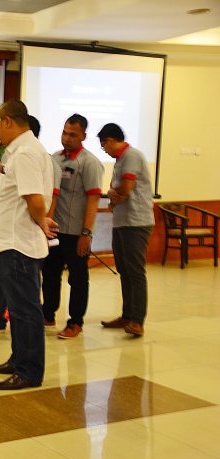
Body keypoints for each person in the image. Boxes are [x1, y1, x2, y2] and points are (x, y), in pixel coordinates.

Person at [0, 99, 56, 390]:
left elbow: (35, 200)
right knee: (17, 309)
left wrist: (41, 222)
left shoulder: (25, 152)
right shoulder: (21, 151)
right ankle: (19, 360)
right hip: (11, 243)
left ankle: (29, 372)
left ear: (8, 121)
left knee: (25, 310)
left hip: (18, 245)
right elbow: (14, 195)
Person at [42, 114, 104, 339]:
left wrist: (86, 233)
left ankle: (75, 322)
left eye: (72, 135)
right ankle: (48, 314)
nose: (66, 138)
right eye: (64, 133)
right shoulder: (55, 159)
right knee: (50, 273)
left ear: (83, 136)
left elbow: (93, 200)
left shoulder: (90, 163)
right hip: (55, 230)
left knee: (77, 278)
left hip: (77, 232)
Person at [97, 123, 154, 337]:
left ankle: (137, 321)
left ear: (111, 141)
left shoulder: (132, 156)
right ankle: (127, 315)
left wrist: (114, 194)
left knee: (135, 272)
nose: (105, 150)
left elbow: (125, 190)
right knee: (124, 270)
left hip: (136, 223)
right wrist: (115, 195)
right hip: (122, 222)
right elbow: (117, 193)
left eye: (104, 146)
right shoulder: (120, 159)